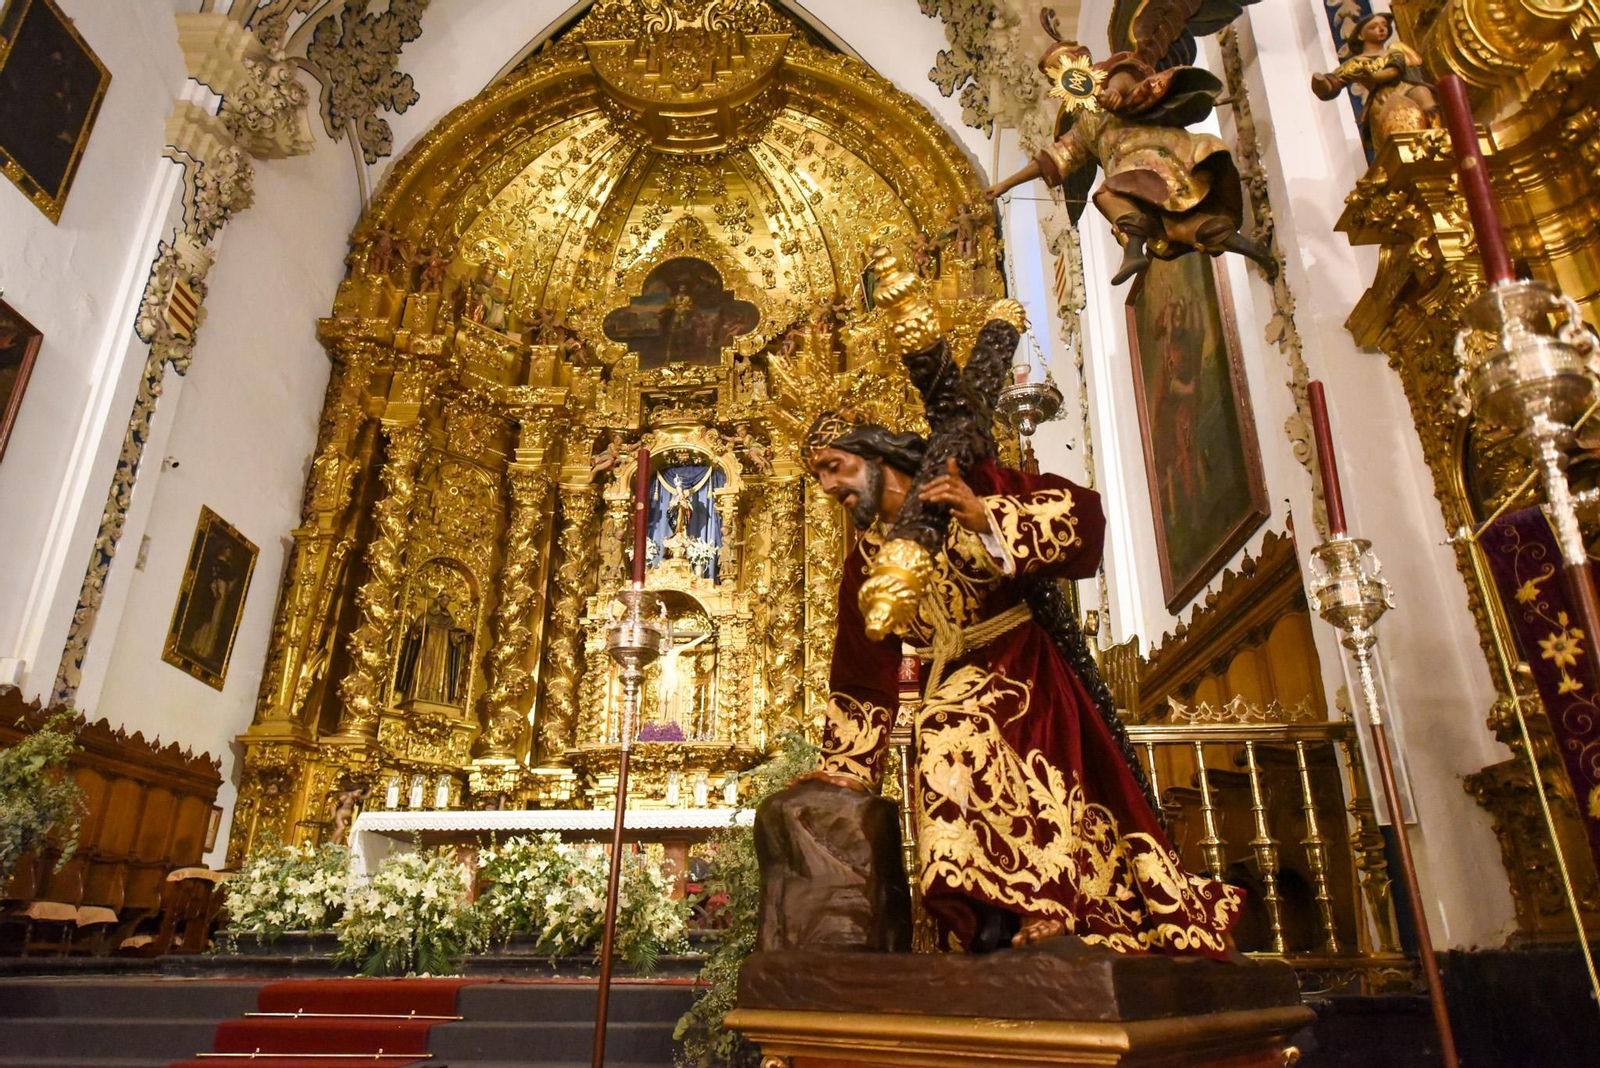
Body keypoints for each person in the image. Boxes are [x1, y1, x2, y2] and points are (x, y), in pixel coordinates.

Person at [797, 408, 1242, 955]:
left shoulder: (963, 485)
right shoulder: (865, 563)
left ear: (874, 454)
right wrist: (847, 766)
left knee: (951, 726)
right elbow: (861, 672)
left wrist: (986, 516)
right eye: (818, 476)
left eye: (834, 467)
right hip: (949, 677)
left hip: (1022, 667)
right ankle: (988, 915)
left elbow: (1083, 514)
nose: (828, 487)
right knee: (943, 726)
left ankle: (1044, 901)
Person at [1311, 12, 1439, 153]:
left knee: (1422, 92)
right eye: (1374, 27)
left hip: (1404, 89)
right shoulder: (1357, 62)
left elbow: (1394, 70)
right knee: (1390, 118)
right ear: (1361, 35)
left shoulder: (1394, 52)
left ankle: (1437, 135)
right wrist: (1322, 84)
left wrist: (1374, 76)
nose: (1382, 29)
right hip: (1382, 97)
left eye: (1384, 25)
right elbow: (1335, 81)